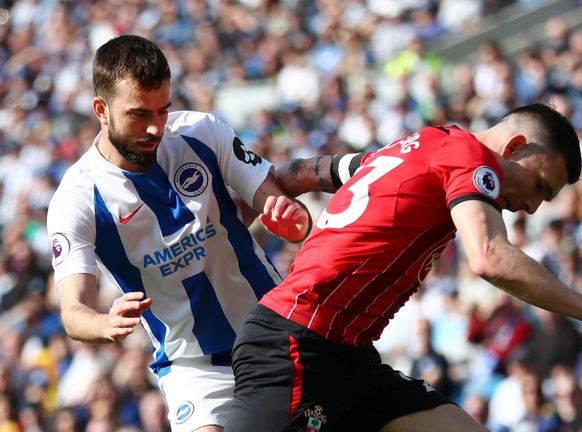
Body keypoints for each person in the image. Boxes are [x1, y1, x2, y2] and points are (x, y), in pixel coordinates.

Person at [225, 104, 582, 431]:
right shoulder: (469, 156)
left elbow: (301, 172)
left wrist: (248, 208)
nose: (533, 207)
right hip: (294, 346)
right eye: (540, 186)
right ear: (515, 145)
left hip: (348, 357)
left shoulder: (414, 147)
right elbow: (489, 258)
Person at [46, 35, 356, 432]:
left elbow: (272, 199)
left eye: (163, 110)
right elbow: (73, 313)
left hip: (277, 330)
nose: (155, 128)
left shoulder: (201, 132)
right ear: (101, 110)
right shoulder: (77, 199)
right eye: (139, 114)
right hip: (195, 370)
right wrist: (103, 324)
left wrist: (285, 215)